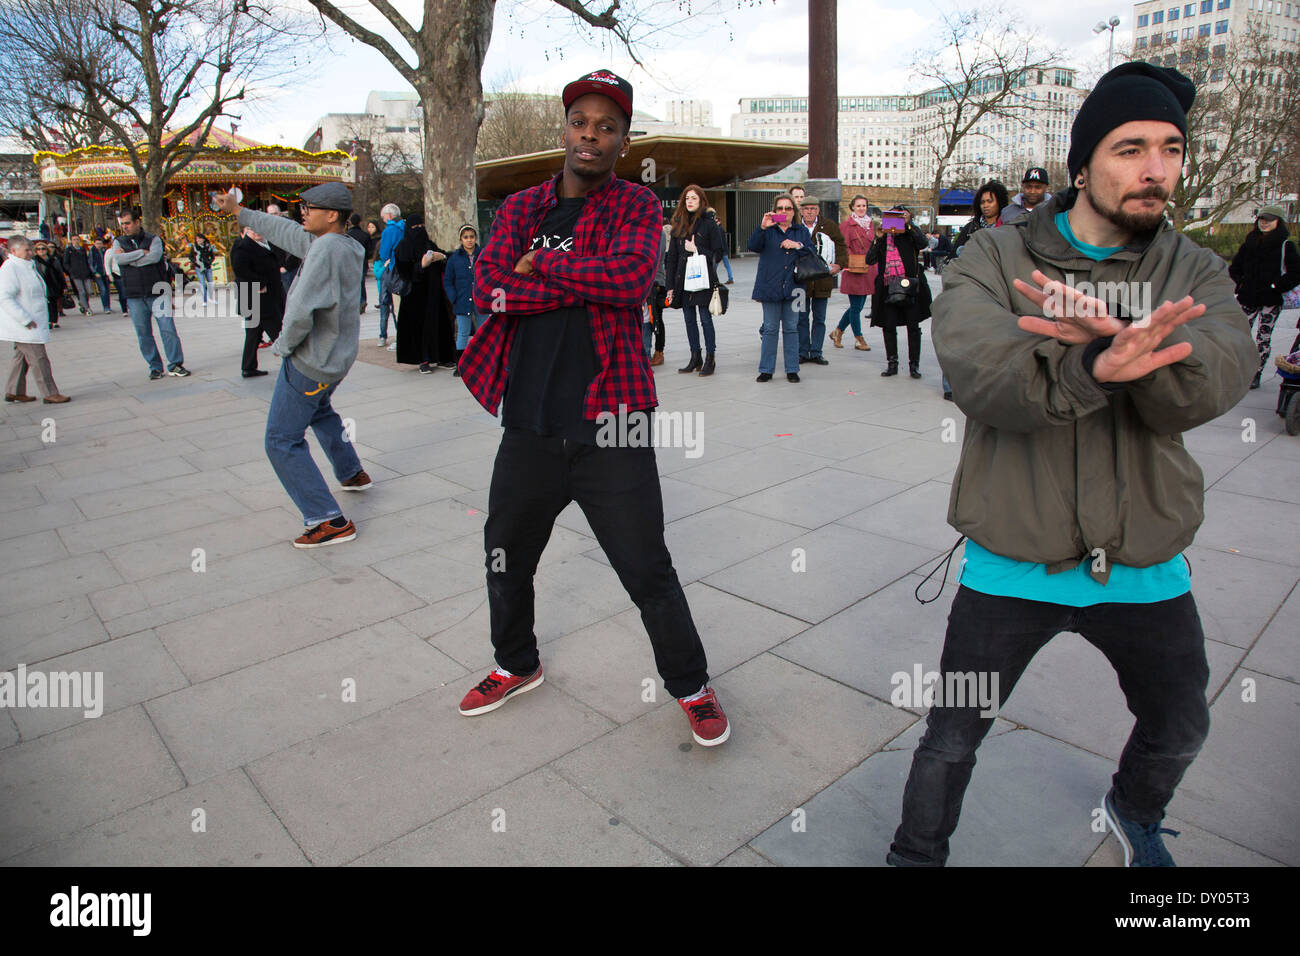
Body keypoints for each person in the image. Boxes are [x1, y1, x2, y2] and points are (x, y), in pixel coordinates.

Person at [888, 62, 1259, 869]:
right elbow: (979, 369)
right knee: (951, 737)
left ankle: (1134, 810)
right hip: (1012, 560)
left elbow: (1227, 365)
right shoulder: (994, 254)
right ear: (1082, 166)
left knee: (1181, 722)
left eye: (1170, 148)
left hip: (1141, 560)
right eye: (1130, 148)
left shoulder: (1190, 267)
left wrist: (1145, 358)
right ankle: (915, 857)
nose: (1155, 168)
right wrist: (1091, 368)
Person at [456, 69, 729, 746]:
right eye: (582, 121)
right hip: (529, 420)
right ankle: (515, 662)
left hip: (614, 417)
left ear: (623, 141)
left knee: (646, 568)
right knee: (504, 554)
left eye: (607, 126)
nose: (591, 135)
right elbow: (487, 291)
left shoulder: (637, 206)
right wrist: (568, 280)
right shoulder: (521, 209)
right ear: (565, 129)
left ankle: (691, 686)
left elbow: (631, 279)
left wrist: (540, 269)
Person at [216, 182, 370, 549]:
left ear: (331, 215)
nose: (303, 212)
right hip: (336, 359)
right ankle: (351, 472)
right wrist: (239, 212)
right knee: (320, 411)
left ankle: (328, 519)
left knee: (281, 440)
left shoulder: (325, 250)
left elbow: (301, 308)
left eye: (309, 207)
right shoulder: (344, 244)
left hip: (311, 361)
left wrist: (283, 346)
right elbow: (286, 231)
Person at [1228, 204, 1300, 389]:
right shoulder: (1249, 242)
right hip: (1248, 298)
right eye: (1261, 219)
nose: (1264, 223)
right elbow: (1235, 267)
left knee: (1263, 338)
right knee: (1239, 335)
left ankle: (1255, 373)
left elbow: (1295, 273)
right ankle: (1238, 370)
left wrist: (1276, 286)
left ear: (1278, 221)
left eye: (1269, 220)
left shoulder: (1286, 245)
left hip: (1270, 299)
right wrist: (1241, 283)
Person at [113, 208, 189, 379]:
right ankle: (154, 366)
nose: (125, 227)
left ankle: (175, 363)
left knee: (167, 329)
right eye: (122, 224)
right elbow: (118, 259)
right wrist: (140, 253)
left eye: (128, 223)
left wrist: (130, 259)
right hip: (134, 295)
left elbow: (154, 257)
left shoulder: (153, 239)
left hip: (157, 291)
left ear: (137, 222)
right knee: (143, 333)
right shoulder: (118, 242)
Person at [749, 193, 814, 383]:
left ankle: (792, 369)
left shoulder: (801, 230)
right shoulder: (768, 229)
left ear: (794, 212)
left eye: (788, 208)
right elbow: (753, 246)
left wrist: (797, 245)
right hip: (770, 286)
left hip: (795, 287)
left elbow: (812, 252)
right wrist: (762, 227)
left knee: (792, 328)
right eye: (780, 208)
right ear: (774, 211)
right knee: (769, 328)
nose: (784, 212)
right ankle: (766, 369)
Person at [664, 183, 723, 376]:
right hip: (683, 280)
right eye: (687, 198)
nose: (690, 201)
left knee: (705, 319)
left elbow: (718, 253)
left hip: (703, 279)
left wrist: (697, 250)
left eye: (694, 198)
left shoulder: (709, 224)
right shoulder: (678, 224)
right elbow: (671, 258)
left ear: (701, 201)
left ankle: (710, 358)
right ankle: (695, 356)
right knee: (689, 319)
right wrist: (670, 286)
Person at [2, 235, 70, 404]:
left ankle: (14, 390)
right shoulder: (10, 268)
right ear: (14, 251)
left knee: (21, 357)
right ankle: (49, 392)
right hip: (24, 324)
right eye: (26, 250)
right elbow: (4, 297)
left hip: (30, 321)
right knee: (39, 358)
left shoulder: (25, 266)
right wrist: (24, 319)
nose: (31, 253)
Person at [866, 206, 931, 378]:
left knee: (913, 326)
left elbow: (923, 243)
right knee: (889, 325)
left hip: (909, 286)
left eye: (898, 217)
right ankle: (892, 363)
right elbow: (869, 259)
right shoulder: (883, 237)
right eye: (891, 217)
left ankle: (913, 365)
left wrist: (908, 224)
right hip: (888, 286)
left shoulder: (910, 234)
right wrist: (877, 238)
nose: (894, 221)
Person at [393, 215, 455, 373]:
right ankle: (423, 359)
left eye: (422, 225)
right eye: (415, 227)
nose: (419, 229)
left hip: (434, 292)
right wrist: (421, 265)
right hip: (415, 295)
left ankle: (443, 356)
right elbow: (404, 271)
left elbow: (442, 257)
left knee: (440, 324)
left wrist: (442, 257)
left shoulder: (429, 244)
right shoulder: (403, 247)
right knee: (419, 327)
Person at [795, 196, 847, 365]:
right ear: (801, 210)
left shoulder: (829, 226)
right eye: (806, 208)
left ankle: (816, 351)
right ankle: (803, 351)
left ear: (818, 210)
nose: (810, 211)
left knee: (819, 318)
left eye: (813, 208)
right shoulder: (795, 226)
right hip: (800, 281)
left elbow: (841, 245)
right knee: (801, 318)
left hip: (822, 280)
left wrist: (839, 264)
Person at [229, 223, 284, 378]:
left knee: (253, 335)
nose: (257, 232)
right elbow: (240, 270)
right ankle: (294, 365)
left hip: (263, 298)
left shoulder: (264, 243)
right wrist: (260, 283)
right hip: (258, 299)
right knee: (278, 333)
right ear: (247, 232)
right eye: (253, 229)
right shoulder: (243, 247)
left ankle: (248, 367)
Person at [830, 194, 875, 351]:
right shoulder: (847, 225)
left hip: (868, 270)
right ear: (852, 208)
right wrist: (851, 260)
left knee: (858, 306)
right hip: (854, 269)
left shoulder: (871, 224)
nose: (861, 208)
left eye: (864, 205)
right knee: (856, 307)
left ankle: (838, 331)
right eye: (858, 206)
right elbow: (843, 247)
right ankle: (859, 338)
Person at [443, 223, 483, 376]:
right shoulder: (454, 259)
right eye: (466, 237)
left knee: (482, 331)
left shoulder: (482, 254)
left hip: (480, 300)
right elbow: (448, 280)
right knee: (463, 332)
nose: (469, 240)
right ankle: (460, 364)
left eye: (471, 237)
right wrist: (453, 297)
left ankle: (482, 361)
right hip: (462, 300)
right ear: (461, 239)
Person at [376, 202, 405, 347]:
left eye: (383, 217)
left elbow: (384, 253)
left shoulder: (389, 231)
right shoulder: (405, 227)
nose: (383, 220)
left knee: (395, 306)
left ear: (389, 216)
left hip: (394, 270)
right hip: (406, 270)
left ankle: (400, 338)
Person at [953, 181, 1010, 254]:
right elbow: (954, 255)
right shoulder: (970, 228)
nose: (985, 205)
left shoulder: (1008, 227)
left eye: (990, 201)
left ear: (1000, 202)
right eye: (982, 202)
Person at [647, 223, 670, 366]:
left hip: (656, 281)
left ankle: (659, 351)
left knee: (656, 318)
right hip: (647, 280)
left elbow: (656, 257)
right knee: (648, 318)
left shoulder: (658, 232)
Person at [32, 241, 65, 330]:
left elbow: (60, 273)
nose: (41, 251)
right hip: (40, 285)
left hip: (52, 284)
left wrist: (63, 285)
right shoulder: (34, 261)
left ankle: (53, 321)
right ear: (36, 251)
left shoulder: (53, 260)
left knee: (52, 303)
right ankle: (47, 321)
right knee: (43, 304)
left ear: (47, 250)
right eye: (38, 249)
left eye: (43, 249)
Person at [62, 238, 94, 314]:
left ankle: (82, 303)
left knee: (89, 291)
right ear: (72, 241)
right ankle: (87, 308)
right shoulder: (69, 250)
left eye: (77, 239)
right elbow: (66, 262)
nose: (76, 241)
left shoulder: (82, 249)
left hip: (86, 273)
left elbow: (87, 260)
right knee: (82, 291)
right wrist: (70, 271)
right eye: (74, 239)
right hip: (76, 274)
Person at [346, 214, 371, 313]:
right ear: (360, 222)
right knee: (361, 282)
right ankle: (363, 300)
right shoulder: (365, 235)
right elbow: (369, 251)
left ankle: (355, 302)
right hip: (362, 262)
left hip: (350, 262)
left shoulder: (348, 235)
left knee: (352, 283)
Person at [707, 207, 734, 284]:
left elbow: (719, 241)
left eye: (716, 221)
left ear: (719, 221)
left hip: (721, 251)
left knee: (715, 265)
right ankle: (730, 278)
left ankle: (712, 278)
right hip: (724, 250)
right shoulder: (721, 228)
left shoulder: (718, 229)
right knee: (724, 265)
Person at [189, 233, 216, 304]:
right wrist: (195, 262)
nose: (198, 240)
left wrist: (209, 262)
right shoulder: (194, 247)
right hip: (199, 267)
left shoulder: (208, 246)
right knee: (202, 284)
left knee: (210, 283)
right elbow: (190, 256)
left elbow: (212, 256)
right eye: (197, 239)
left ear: (203, 239)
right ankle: (204, 300)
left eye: (199, 238)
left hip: (207, 267)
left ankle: (211, 298)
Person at [88, 237, 112, 312]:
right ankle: (106, 307)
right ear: (94, 244)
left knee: (107, 290)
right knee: (103, 290)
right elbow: (90, 263)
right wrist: (94, 272)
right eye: (97, 243)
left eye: (100, 243)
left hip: (105, 272)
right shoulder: (92, 251)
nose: (99, 245)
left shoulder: (104, 250)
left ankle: (108, 306)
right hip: (98, 273)